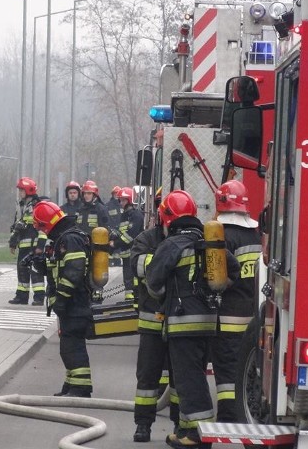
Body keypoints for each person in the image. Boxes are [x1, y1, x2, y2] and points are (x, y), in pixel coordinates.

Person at [146, 190, 239, 449]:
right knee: (190, 375)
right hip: (209, 323)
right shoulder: (209, 243)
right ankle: (186, 429)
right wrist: (216, 289)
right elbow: (233, 271)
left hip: (182, 323)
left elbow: (153, 283)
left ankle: (199, 436)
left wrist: (165, 297)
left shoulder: (170, 245)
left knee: (190, 380)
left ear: (167, 218)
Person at [129, 189, 179, 443]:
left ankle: (181, 425)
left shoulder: (188, 239)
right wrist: (168, 262)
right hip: (152, 319)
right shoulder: (146, 239)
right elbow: (138, 266)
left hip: (180, 321)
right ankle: (143, 425)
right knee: (147, 376)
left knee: (180, 377)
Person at [212, 180, 261, 422]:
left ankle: (228, 419)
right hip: (255, 317)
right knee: (250, 371)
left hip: (229, 316)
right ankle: (249, 415)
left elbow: (216, 280)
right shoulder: (256, 234)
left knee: (227, 370)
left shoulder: (221, 235)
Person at [32, 201, 93, 398]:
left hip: (75, 303)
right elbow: (58, 269)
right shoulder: (63, 238)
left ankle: (81, 388)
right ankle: (71, 384)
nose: (42, 232)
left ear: (46, 223)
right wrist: (40, 264)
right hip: (72, 304)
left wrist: (62, 299)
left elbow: (74, 271)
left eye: (41, 226)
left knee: (72, 346)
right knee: (68, 346)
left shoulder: (70, 239)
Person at [8, 177, 47, 305]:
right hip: (23, 245)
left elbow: (43, 228)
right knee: (22, 270)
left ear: (28, 190)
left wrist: (40, 246)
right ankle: (21, 296)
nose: (20, 193)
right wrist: (13, 242)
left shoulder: (38, 206)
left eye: (21, 190)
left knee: (36, 271)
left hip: (35, 245)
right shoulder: (21, 206)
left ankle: (39, 297)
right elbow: (16, 225)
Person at [109, 187, 144, 302]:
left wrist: (116, 243)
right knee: (127, 276)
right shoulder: (124, 215)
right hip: (125, 253)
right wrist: (113, 235)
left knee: (133, 276)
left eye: (124, 200)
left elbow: (130, 235)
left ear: (129, 200)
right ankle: (129, 297)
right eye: (120, 200)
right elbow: (122, 231)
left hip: (134, 252)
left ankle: (136, 296)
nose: (121, 203)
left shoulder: (136, 215)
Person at [105, 186, 122, 266]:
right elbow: (106, 217)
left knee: (118, 245)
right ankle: (110, 260)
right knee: (111, 244)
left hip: (120, 229)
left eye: (118, 193)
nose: (116, 195)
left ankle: (117, 260)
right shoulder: (108, 205)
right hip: (111, 229)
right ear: (112, 194)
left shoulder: (122, 205)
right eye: (115, 193)